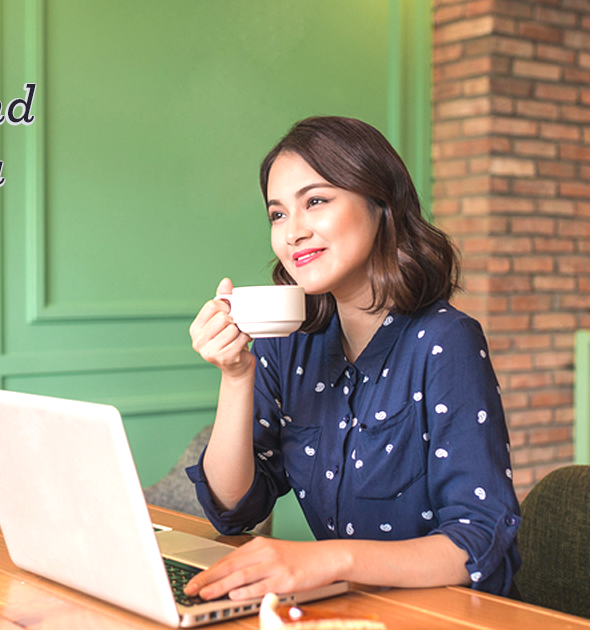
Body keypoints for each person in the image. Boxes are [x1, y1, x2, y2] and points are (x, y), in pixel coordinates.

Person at [183, 116, 520, 601]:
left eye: (315, 201)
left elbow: (478, 539)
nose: (292, 232)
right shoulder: (288, 343)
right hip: (351, 608)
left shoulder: (446, 340)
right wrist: (236, 375)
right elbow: (234, 507)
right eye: (278, 214)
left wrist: (326, 559)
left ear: (381, 204)